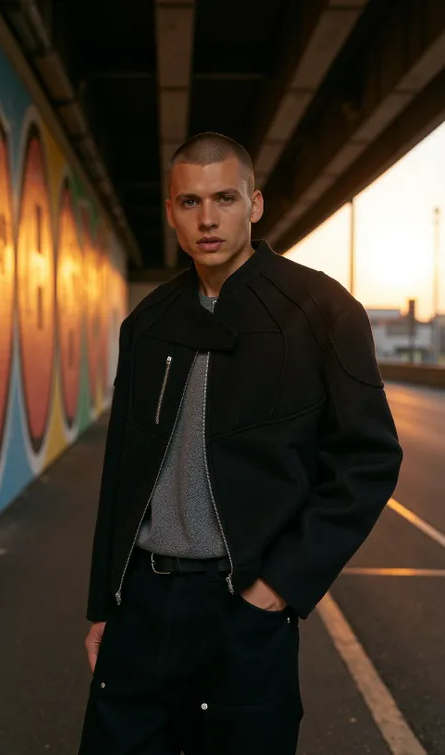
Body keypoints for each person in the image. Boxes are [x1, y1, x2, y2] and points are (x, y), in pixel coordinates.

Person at [78, 132, 402, 755]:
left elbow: (368, 458)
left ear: (254, 205)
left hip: (242, 606)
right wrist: (103, 603)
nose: (207, 219)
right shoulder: (147, 323)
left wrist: (277, 587)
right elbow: (121, 472)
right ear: (171, 211)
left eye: (224, 198)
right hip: (142, 604)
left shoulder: (321, 309)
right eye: (190, 202)